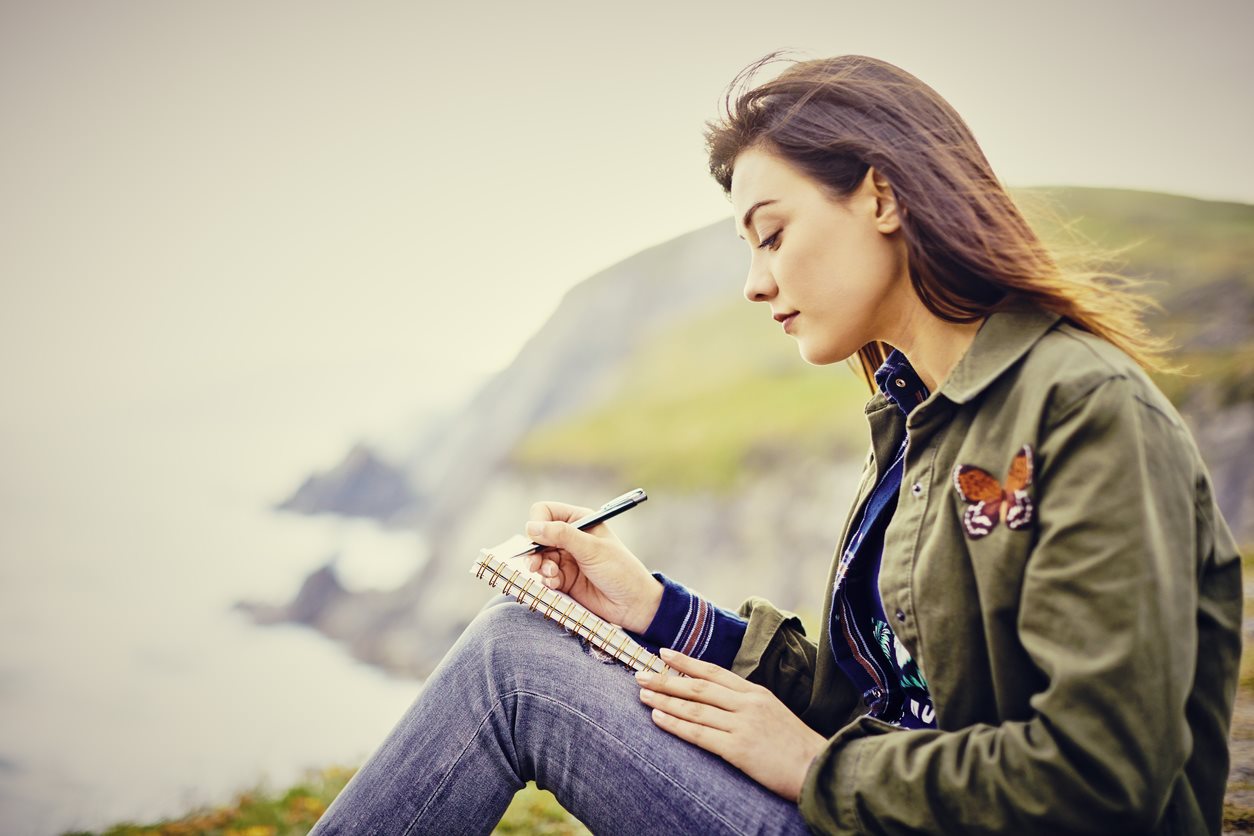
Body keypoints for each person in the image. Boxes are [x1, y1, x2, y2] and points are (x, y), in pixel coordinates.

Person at [309, 54, 1243, 835]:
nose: (757, 285)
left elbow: (1102, 778)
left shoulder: (1081, 410)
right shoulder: (920, 419)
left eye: (772, 234)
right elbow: (868, 703)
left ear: (882, 196)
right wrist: (652, 610)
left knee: (511, 667)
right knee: (521, 641)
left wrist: (817, 771)